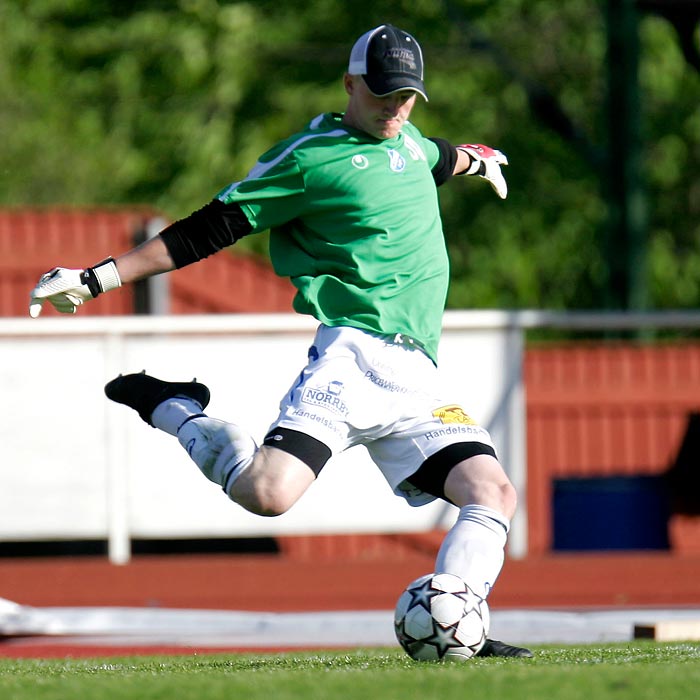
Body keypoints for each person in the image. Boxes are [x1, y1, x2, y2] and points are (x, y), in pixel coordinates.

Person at [29, 24, 532, 658]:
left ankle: (458, 622)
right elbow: (205, 230)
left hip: (418, 374)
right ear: (350, 84)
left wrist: (474, 157)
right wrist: (98, 277)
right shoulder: (308, 157)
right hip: (353, 359)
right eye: (382, 94)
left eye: (407, 96)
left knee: (493, 493)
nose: (395, 108)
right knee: (267, 495)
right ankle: (176, 408)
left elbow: (438, 156)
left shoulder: (410, 144)